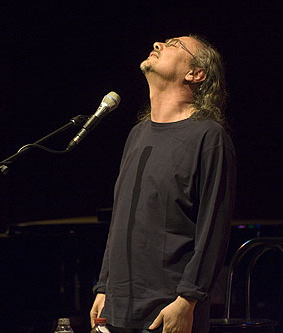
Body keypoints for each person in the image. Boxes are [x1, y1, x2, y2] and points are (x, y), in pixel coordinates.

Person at [90, 35, 236, 333]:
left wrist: (188, 299)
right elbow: (121, 219)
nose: (157, 44)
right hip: (117, 308)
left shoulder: (208, 137)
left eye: (172, 44)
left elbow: (213, 229)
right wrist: (104, 285)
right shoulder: (138, 135)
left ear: (195, 74)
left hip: (168, 312)